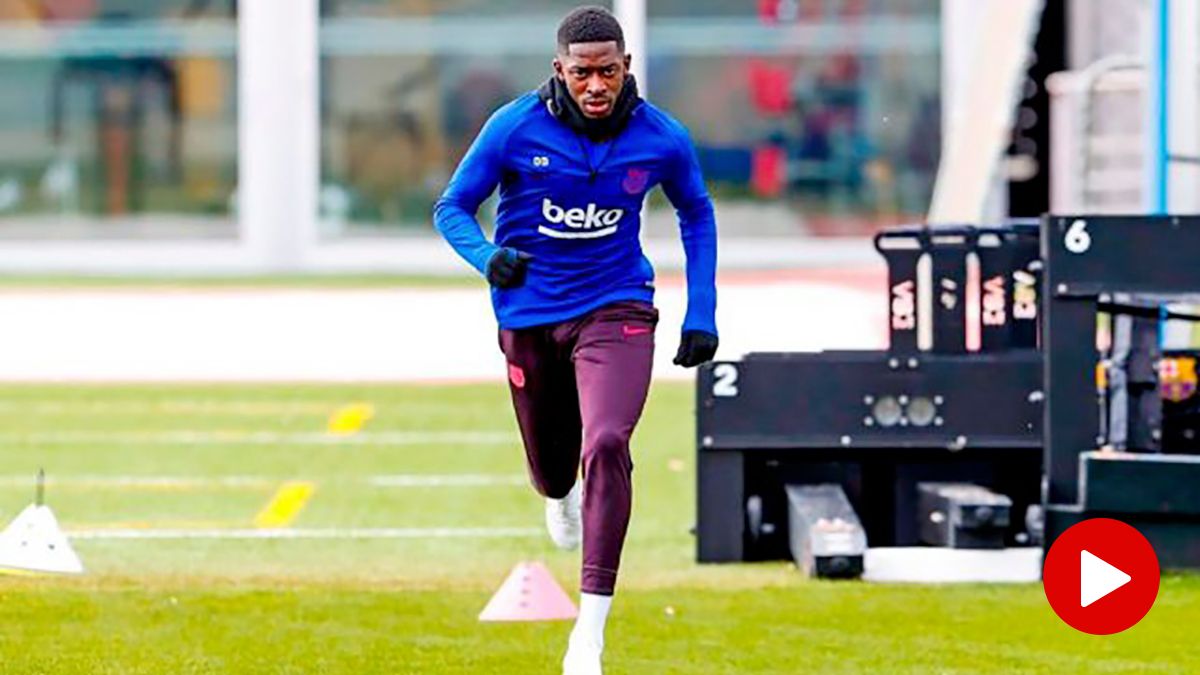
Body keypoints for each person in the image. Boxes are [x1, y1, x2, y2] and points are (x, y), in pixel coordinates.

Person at [432, 6, 718, 674]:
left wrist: (700, 309)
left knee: (608, 440)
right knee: (552, 465)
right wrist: (487, 257)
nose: (597, 85)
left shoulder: (661, 137)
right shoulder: (512, 126)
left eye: (609, 72)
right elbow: (451, 206)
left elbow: (696, 210)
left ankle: (588, 632)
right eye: (583, 72)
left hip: (615, 307)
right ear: (560, 69)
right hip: (529, 315)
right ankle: (558, 494)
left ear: (626, 70)